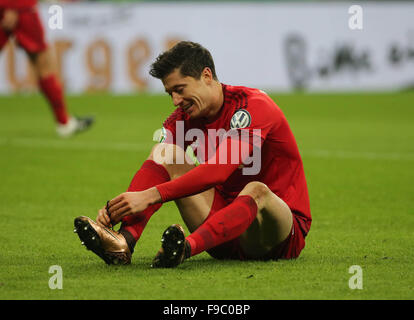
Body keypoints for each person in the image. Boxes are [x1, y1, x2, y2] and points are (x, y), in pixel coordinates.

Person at [74, 41, 311, 268]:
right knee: (166, 152)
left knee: (257, 190)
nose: (176, 101)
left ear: (206, 76)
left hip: (276, 237)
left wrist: (150, 196)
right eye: (170, 94)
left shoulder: (252, 107)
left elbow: (219, 171)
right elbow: (157, 166)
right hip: (222, 234)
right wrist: (117, 209)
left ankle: (184, 248)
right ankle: (123, 242)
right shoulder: (182, 120)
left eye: (180, 90)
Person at [0, 0, 93, 137]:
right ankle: (64, 122)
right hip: (19, 6)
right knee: (43, 62)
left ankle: (64, 121)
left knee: (42, 62)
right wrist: (11, 5)